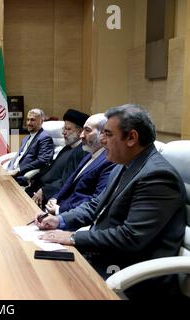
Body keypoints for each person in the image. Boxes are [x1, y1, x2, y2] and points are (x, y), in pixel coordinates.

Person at [35, 104, 186, 298]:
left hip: (131, 275)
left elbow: (130, 237)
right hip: (104, 256)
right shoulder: (123, 165)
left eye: (108, 134)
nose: (102, 140)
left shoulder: (157, 176)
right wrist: (60, 220)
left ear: (131, 138)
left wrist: (72, 237)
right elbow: (95, 204)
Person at [41, 113, 115, 214]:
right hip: (57, 206)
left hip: (71, 215)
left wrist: (59, 210)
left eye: (87, 130)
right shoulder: (90, 154)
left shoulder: (109, 161)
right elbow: (70, 183)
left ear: (103, 134)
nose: (81, 135)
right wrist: (55, 198)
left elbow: (94, 200)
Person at [26, 108, 89, 199]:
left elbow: (67, 181)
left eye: (68, 129)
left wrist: (45, 191)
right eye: (64, 128)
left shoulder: (81, 152)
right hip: (36, 187)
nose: (63, 132)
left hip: (47, 195)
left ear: (80, 132)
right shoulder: (67, 147)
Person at [6, 108, 54, 185]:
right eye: (28, 120)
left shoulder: (45, 138)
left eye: (32, 120)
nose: (28, 123)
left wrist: (18, 170)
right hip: (10, 173)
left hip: (22, 176)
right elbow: (18, 156)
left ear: (41, 121)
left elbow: (42, 160)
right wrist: (9, 169)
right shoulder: (26, 138)